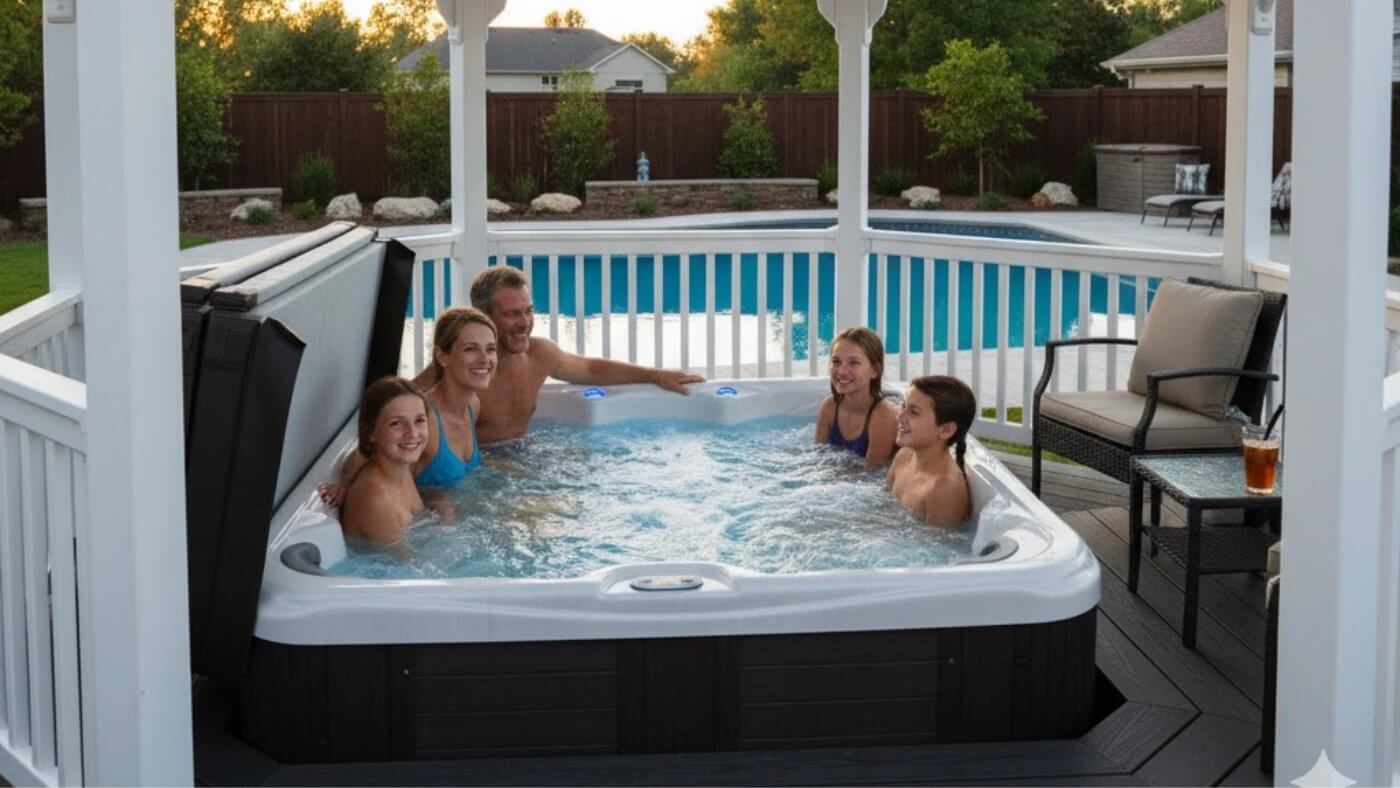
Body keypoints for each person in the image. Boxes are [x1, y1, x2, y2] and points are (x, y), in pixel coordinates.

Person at [420, 266, 704, 443]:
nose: (524, 322)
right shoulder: (459, 368)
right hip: (485, 472)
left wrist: (654, 375)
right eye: (511, 314)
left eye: (528, 311)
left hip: (526, 455)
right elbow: (402, 401)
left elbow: (590, 369)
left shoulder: (538, 354)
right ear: (483, 316)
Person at [322, 307, 496, 507]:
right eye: (471, 349)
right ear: (442, 357)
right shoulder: (424, 416)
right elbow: (365, 450)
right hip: (427, 522)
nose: (485, 359)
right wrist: (345, 484)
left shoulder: (472, 405)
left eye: (490, 349)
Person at [340, 377, 430, 544]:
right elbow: (407, 566)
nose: (412, 433)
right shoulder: (376, 501)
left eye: (419, 420)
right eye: (396, 423)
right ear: (372, 432)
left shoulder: (401, 469)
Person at [885, 375, 978, 526]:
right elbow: (882, 504)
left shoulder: (943, 489)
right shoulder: (904, 455)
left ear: (946, 430)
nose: (900, 416)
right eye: (903, 406)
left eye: (914, 412)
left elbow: (940, 547)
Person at [814, 326, 899, 466]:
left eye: (853, 363)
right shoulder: (830, 406)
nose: (842, 371)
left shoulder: (884, 416)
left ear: (874, 371)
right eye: (836, 361)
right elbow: (817, 457)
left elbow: (871, 473)